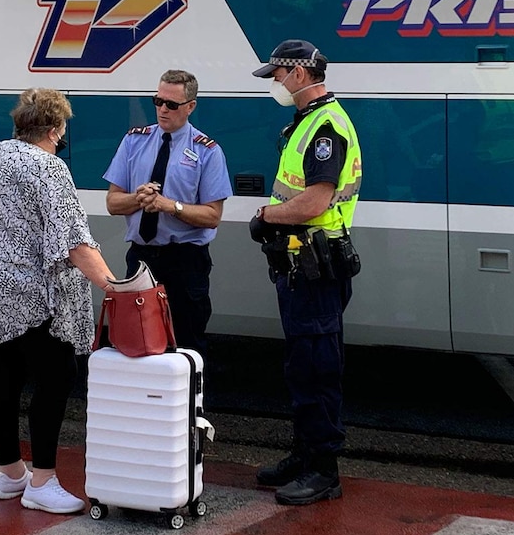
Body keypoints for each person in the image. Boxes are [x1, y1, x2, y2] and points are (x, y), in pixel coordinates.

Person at [0, 88, 116, 515]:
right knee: (56, 376)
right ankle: (43, 481)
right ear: (55, 129)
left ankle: (10, 474)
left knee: (2, 375)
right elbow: (74, 243)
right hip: (29, 292)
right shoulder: (49, 168)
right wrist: (115, 285)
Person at [249, 39, 363, 506]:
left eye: (276, 75)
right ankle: (305, 453)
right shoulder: (307, 122)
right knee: (302, 364)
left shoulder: (324, 127)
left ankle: (323, 470)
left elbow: (316, 200)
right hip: (302, 264)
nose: (274, 83)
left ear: (298, 74)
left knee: (317, 366)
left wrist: (266, 216)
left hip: (317, 264)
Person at [103, 69, 232, 359]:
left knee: (185, 344)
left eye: (171, 104)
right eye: (158, 101)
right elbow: (112, 202)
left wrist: (169, 206)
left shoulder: (207, 151)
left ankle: (186, 403)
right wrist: (139, 198)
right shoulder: (135, 142)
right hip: (141, 258)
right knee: (136, 342)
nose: (163, 109)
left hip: (185, 261)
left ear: (190, 106)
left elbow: (213, 215)